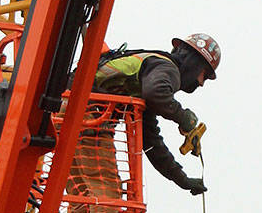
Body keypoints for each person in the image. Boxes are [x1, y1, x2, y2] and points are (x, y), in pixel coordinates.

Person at [93, 33, 220, 195]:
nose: (201, 83)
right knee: (106, 193)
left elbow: (151, 141)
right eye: (205, 76)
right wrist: (183, 117)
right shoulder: (166, 68)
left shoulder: (147, 74)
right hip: (84, 117)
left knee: (85, 193)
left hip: (78, 115)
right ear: (194, 64)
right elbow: (156, 93)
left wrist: (181, 179)